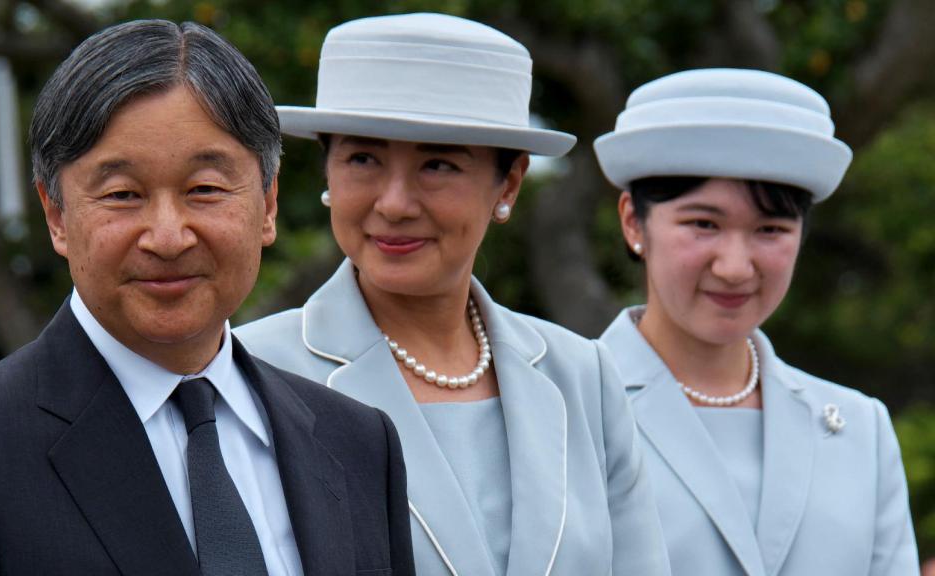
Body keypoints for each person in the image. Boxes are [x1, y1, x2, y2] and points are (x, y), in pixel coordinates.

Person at [0, 20, 413, 576]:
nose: (168, 237)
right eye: (123, 195)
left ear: (267, 204)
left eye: (204, 190)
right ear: (56, 215)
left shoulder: (360, 443)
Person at [235, 13, 669, 576]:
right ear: (327, 168)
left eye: (438, 164)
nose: (394, 203)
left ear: (508, 183)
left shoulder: (583, 377)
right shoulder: (250, 373)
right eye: (362, 158)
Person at [594, 68, 919, 575]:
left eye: (770, 229)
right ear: (634, 222)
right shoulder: (564, 408)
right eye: (704, 224)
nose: (735, 267)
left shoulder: (859, 429)